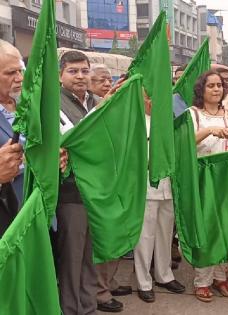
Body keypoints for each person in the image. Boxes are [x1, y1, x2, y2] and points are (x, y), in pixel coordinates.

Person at [55, 50, 101, 315]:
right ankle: (71, 309)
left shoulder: (96, 102)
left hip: (96, 192)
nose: (80, 76)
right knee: (71, 257)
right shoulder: (54, 104)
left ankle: (89, 305)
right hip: (70, 192)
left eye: (84, 70)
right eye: (73, 71)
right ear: (61, 75)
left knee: (90, 255)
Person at [189, 70, 228, 302]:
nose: (217, 89)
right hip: (202, 175)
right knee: (207, 226)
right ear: (202, 89)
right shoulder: (193, 114)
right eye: (211, 86)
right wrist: (210, 130)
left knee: (226, 224)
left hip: (227, 174)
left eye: (220, 85)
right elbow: (185, 143)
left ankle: (220, 276)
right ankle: (202, 280)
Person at [88, 64, 132, 313]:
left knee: (116, 233)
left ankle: (109, 282)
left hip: (116, 177)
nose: (106, 84)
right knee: (103, 237)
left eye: (108, 79)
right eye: (100, 80)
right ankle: (100, 291)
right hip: (98, 181)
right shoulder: (91, 106)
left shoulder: (111, 104)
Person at [134, 92, 185, 304]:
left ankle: (164, 275)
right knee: (145, 236)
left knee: (165, 233)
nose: (152, 102)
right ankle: (143, 282)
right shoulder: (136, 121)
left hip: (169, 185)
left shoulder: (169, 120)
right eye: (148, 97)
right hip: (146, 185)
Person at [0, 39, 25, 205]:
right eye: (10, 73)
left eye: (20, 71)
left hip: (43, 215)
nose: (20, 78)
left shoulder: (29, 106)